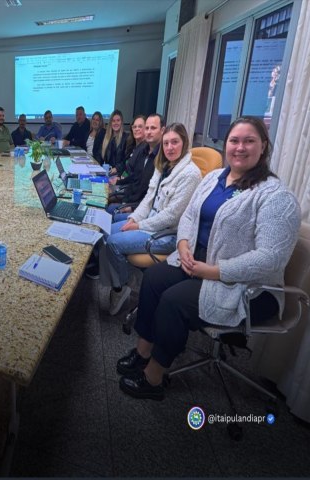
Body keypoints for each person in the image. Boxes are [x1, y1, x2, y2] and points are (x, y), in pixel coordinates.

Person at [116, 117, 301, 400]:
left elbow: (270, 259)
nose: (240, 147)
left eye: (249, 141)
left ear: (263, 146)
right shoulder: (214, 178)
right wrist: (183, 244)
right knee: (153, 279)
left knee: (173, 301)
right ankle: (143, 352)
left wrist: (213, 271)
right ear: (226, 145)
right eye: (234, 141)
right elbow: (189, 216)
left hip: (247, 287)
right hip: (197, 262)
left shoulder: (276, 196)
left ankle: (154, 377)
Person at [100, 123, 202, 315]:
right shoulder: (163, 165)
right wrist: (134, 218)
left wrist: (140, 225)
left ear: (184, 143)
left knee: (112, 242)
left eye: (175, 142)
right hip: (150, 221)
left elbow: (171, 216)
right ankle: (124, 280)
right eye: (166, 143)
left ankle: (121, 288)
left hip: (167, 234)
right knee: (104, 231)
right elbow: (148, 198)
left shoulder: (191, 174)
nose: (169, 147)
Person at [107, 114, 165, 217]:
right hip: (132, 199)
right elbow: (134, 178)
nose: (149, 131)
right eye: (147, 128)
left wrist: (132, 207)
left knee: (112, 212)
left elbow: (150, 194)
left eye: (153, 128)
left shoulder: (161, 157)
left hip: (142, 209)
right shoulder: (143, 151)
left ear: (162, 130)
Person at [101, 109, 129, 175]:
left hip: (119, 174)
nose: (116, 123)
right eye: (113, 121)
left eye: (118, 120)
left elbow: (127, 160)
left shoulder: (126, 138)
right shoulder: (107, 138)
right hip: (108, 172)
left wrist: (116, 168)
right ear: (111, 123)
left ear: (121, 122)